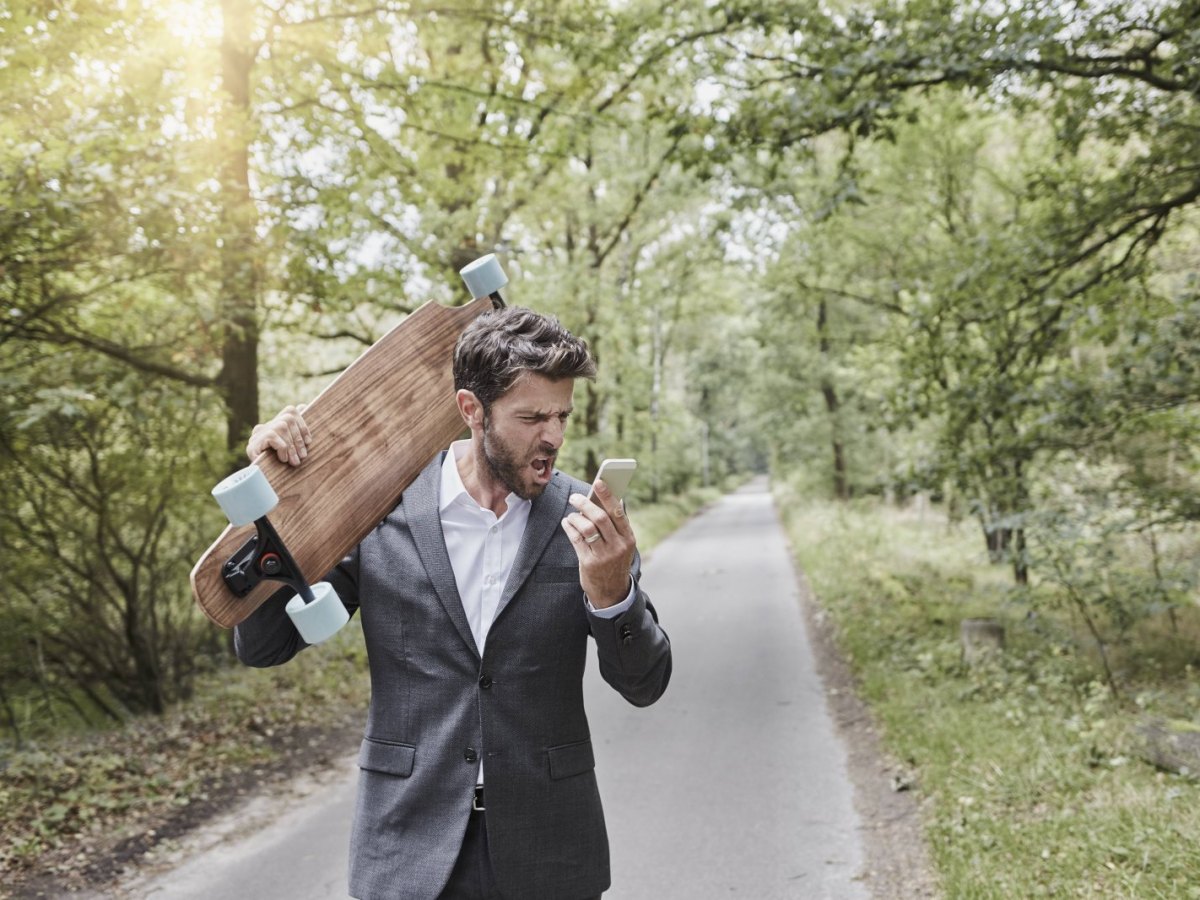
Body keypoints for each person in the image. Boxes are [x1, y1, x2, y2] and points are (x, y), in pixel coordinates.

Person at [234, 306, 672, 900]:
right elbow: (263, 646)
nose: (555, 436)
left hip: (551, 851)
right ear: (471, 410)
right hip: (408, 848)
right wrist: (279, 508)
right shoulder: (376, 512)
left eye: (562, 415)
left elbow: (645, 684)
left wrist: (612, 593)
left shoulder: (587, 520)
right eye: (532, 416)